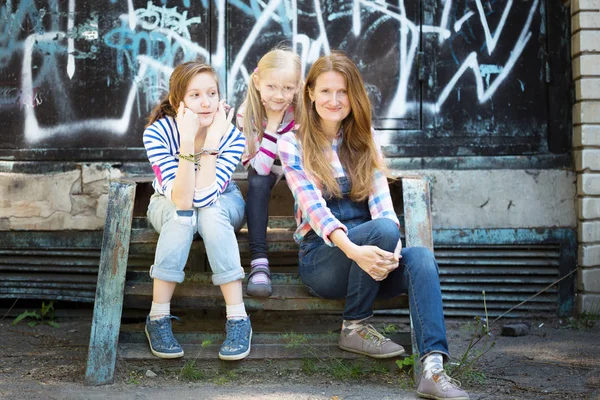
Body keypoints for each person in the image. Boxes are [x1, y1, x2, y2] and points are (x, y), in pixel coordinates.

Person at [278, 51, 470, 400]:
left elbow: (383, 207)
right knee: (381, 231)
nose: (334, 100)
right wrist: (357, 250)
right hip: (325, 259)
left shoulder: (365, 137)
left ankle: (433, 370)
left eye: (343, 92)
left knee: (420, 258)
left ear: (354, 96)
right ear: (309, 93)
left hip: (371, 263)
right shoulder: (292, 143)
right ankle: (354, 325)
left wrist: (390, 255)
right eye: (325, 91)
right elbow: (314, 209)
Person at [143, 61, 251, 361]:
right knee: (183, 216)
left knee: (211, 213)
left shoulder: (230, 134)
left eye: (212, 93)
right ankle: (157, 317)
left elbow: (206, 197)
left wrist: (214, 140)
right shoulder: (158, 133)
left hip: (223, 200)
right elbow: (182, 199)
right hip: (170, 200)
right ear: (179, 103)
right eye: (195, 95)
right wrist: (189, 139)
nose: (206, 102)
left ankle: (238, 318)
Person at [236, 48, 302, 297]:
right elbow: (261, 168)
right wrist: (273, 123)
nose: (279, 95)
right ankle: (259, 263)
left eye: (287, 88)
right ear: (257, 81)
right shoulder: (248, 113)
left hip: (298, 167)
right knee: (257, 183)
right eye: (272, 86)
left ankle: (315, 249)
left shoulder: (304, 108)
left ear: (297, 86)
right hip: (267, 166)